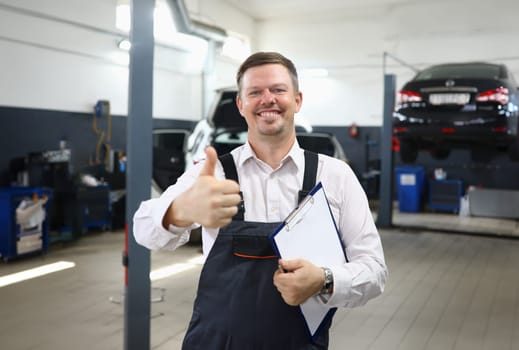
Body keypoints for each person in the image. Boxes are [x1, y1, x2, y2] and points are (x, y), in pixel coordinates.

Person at [133, 51, 387, 349]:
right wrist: (181, 210)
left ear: (298, 100)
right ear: (241, 105)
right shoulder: (210, 171)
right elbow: (142, 228)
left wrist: (324, 279)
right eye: (255, 92)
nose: (268, 99)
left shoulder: (335, 176)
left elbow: (374, 270)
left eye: (278, 90)